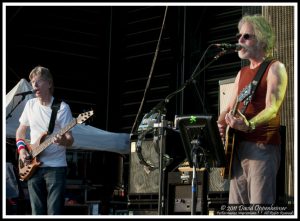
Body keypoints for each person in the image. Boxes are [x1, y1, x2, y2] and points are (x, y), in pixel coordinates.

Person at [217, 14, 288, 204]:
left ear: (262, 39)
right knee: (236, 209)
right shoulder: (242, 73)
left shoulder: (275, 68)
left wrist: (249, 124)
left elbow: (272, 108)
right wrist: (220, 124)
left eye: (246, 36)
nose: (239, 40)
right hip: (237, 148)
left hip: (262, 146)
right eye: (239, 36)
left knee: (260, 208)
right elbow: (228, 108)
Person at [16, 66, 74, 215]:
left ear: (49, 83)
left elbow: (70, 139)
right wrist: (22, 150)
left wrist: (62, 141)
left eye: (38, 81)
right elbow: (21, 131)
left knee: (54, 212)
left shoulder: (62, 108)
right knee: (37, 212)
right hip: (33, 165)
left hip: (56, 167)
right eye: (32, 82)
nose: (34, 85)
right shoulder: (30, 104)